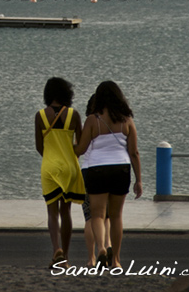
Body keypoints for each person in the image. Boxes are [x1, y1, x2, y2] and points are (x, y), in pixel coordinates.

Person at [75, 81, 142, 269]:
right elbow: (134, 152)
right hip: (121, 169)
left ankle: (102, 249)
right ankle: (117, 261)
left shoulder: (92, 120)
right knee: (116, 216)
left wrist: (65, 147)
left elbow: (80, 149)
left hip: (96, 169)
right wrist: (139, 180)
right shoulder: (127, 120)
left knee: (96, 215)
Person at [35, 77, 86, 268]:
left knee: (51, 212)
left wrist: (51, 157)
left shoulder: (40, 116)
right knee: (66, 212)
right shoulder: (74, 115)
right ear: (67, 93)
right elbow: (80, 146)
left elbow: (39, 146)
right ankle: (65, 258)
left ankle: (56, 249)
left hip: (49, 166)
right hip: (69, 167)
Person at [80, 94, 112, 267]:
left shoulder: (88, 124)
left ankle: (91, 258)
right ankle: (107, 247)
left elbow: (80, 148)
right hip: (107, 170)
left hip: (87, 171)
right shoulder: (110, 124)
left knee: (90, 217)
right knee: (106, 217)